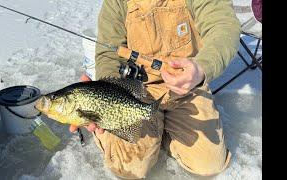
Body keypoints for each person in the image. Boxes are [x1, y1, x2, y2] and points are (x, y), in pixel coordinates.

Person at [72, 0, 241, 178]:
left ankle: (163, 136)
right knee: (129, 168)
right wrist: (105, 93)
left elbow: (223, 26)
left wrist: (201, 68)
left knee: (209, 165)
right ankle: (128, 136)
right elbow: (108, 55)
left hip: (187, 88)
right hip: (135, 93)